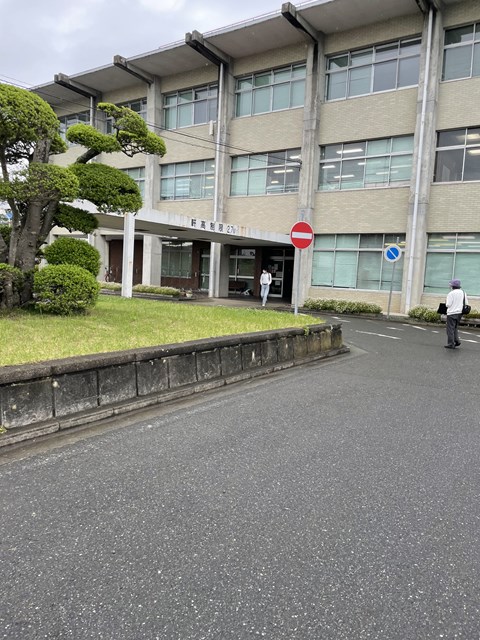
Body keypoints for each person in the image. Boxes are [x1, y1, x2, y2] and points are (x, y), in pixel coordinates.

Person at [444, 278, 468, 349]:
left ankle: (451, 343)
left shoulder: (451, 293)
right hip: (459, 313)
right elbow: (466, 303)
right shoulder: (463, 293)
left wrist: (446, 301)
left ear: (452, 286)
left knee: (450, 329)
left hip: (451, 313)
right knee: (455, 327)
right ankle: (457, 341)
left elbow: (448, 304)